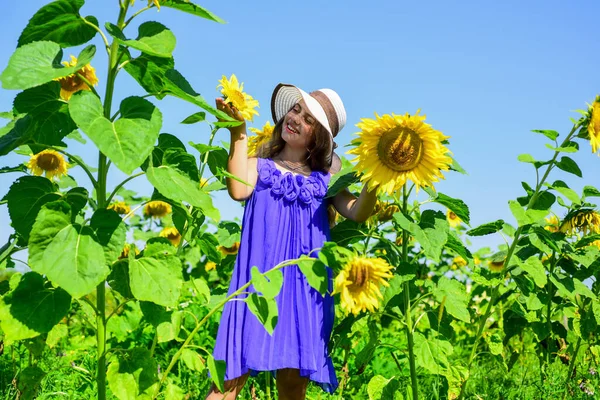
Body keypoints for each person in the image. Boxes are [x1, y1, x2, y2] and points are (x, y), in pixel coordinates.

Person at [206, 83, 379, 400]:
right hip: (255, 284)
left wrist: (376, 178)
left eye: (309, 119)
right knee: (228, 378)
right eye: (296, 109)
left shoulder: (326, 183)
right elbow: (238, 190)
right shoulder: (261, 167)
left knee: (292, 384)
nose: (296, 118)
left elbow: (358, 213)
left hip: (304, 289)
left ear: (319, 138)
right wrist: (238, 133)